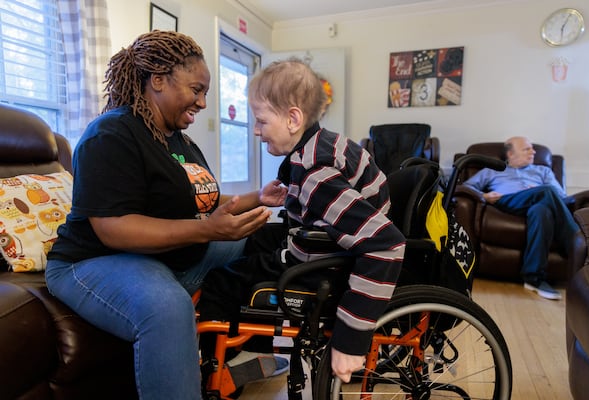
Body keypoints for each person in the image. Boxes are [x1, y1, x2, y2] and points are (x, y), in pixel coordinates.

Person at [44, 31, 287, 400]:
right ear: (158, 80)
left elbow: (208, 201)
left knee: (262, 240)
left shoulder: (178, 140)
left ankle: (227, 357)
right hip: (94, 260)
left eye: (205, 93)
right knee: (168, 307)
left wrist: (259, 197)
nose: (203, 102)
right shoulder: (110, 135)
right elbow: (115, 230)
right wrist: (208, 231)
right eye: (196, 89)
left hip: (167, 258)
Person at [197, 58, 405, 390]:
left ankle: (212, 375)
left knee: (221, 281)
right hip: (326, 241)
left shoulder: (315, 175)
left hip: (326, 261)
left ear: (293, 118)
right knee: (253, 238)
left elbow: (386, 245)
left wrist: (351, 340)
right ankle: (257, 350)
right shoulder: (319, 147)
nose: (254, 130)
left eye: (261, 120)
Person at [463, 136, 580, 300]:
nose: (533, 152)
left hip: (539, 203)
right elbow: (464, 187)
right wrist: (484, 195)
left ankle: (534, 278)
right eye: (527, 149)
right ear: (510, 154)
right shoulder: (493, 170)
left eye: (532, 148)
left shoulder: (543, 171)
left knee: (541, 211)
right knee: (546, 192)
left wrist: (539, 192)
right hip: (508, 200)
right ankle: (578, 245)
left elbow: (561, 195)